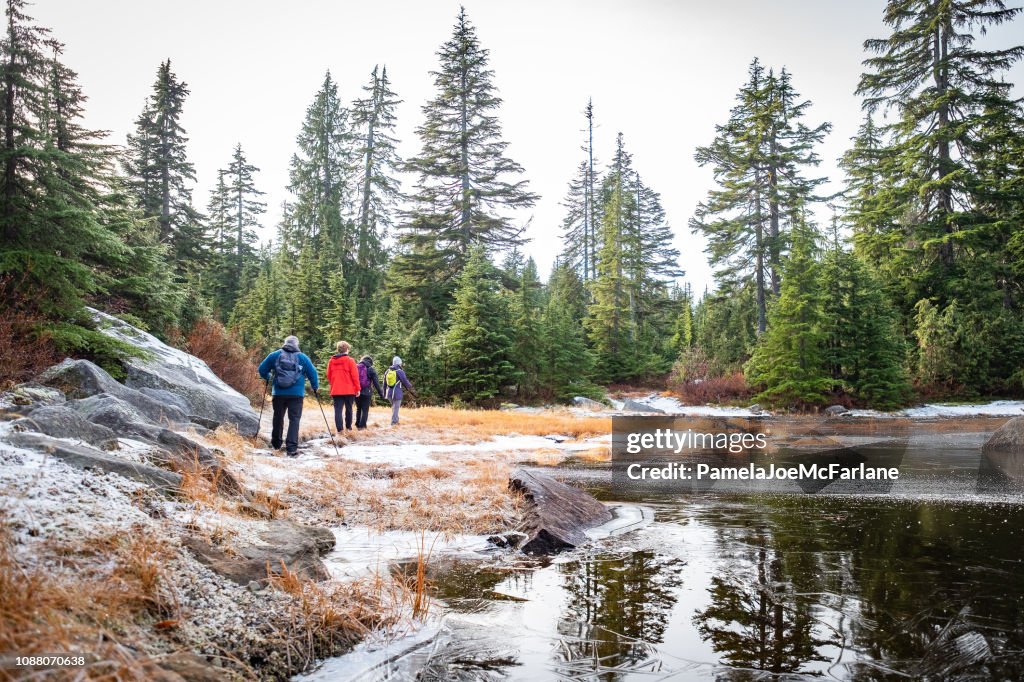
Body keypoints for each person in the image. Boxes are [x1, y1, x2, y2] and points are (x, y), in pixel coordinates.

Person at [258, 335, 319, 457]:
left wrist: (269, 377)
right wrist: (315, 386)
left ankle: (276, 444)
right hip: (296, 395)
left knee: (278, 417)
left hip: (279, 393)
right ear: (297, 344)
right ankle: (291, 448)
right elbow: (313, 373)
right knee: (294, 420)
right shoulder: (303, 357)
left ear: (285, 343)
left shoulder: (275, 355)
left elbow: (262, 369)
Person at [326, 341, 360, 432]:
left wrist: (334, 383)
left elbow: (328, 375)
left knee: (338, 410)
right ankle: (348, 428)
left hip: (336, 390)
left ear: (338, 350)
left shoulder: (331, 361)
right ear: (347, 349)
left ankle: (340, 430)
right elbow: (355, 376)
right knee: (349, 409)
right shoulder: (350, 360)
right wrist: (357, 388)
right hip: (349, 390)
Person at [383, 356, 416, 426]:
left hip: (389, 394)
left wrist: (384, 393)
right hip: (397, 394)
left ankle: (396, 421)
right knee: (396, 408)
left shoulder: (387, 371)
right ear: (399, 363)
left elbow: (384, 383)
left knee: (394, 407)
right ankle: (394, 423)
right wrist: (411, 388)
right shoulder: (400, 371)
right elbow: (405, 381)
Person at [355, 355, 385, 429]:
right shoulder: (371, 369)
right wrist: (381, 394)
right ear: (370, 362)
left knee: (359, 408)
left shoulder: (356, 367)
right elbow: (376, 383)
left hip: (356, 391)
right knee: (365, 410)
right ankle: (362, 427)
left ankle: (357, 424)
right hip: (366, 392)